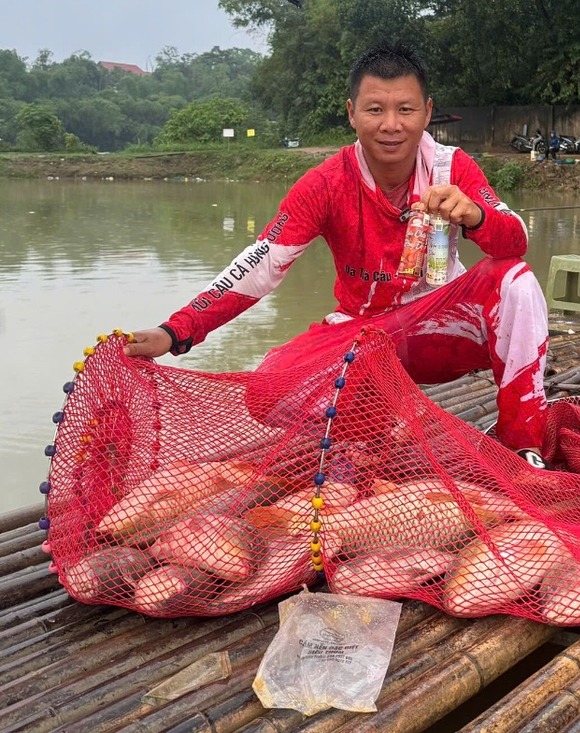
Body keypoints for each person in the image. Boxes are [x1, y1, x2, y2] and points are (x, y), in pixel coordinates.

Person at [123, 40, 550, 460]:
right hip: (361, 336)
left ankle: (523, 442)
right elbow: (259, 264)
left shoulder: (451, 166)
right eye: (375, 109)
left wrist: (475, 215)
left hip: (441, 329)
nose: (391, 125)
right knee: (267, 391)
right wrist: (176, 331)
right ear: (351, 113)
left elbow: (514, 241)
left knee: (517, 281)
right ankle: (376, 427)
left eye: (405, 109)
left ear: (427, 112)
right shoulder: (325, 184)